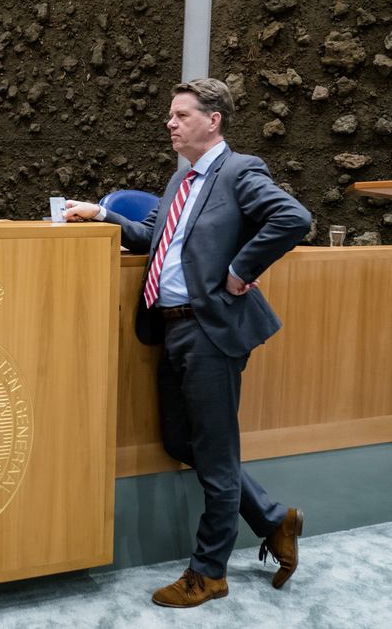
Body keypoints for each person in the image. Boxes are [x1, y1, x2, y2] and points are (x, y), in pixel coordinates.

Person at [64, 78, 312, 608]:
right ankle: (271, 517)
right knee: (182, 443)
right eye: (170, 115)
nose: (170, 123)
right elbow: (150, 235)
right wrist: (102, 214)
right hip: (169, 326)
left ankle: (209, 573)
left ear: (213, 120)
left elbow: (293, 217)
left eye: (180, 115)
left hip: (211, 329)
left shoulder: (239, 171)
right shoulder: (181, 180)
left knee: (218, 458)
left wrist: (242, 268)